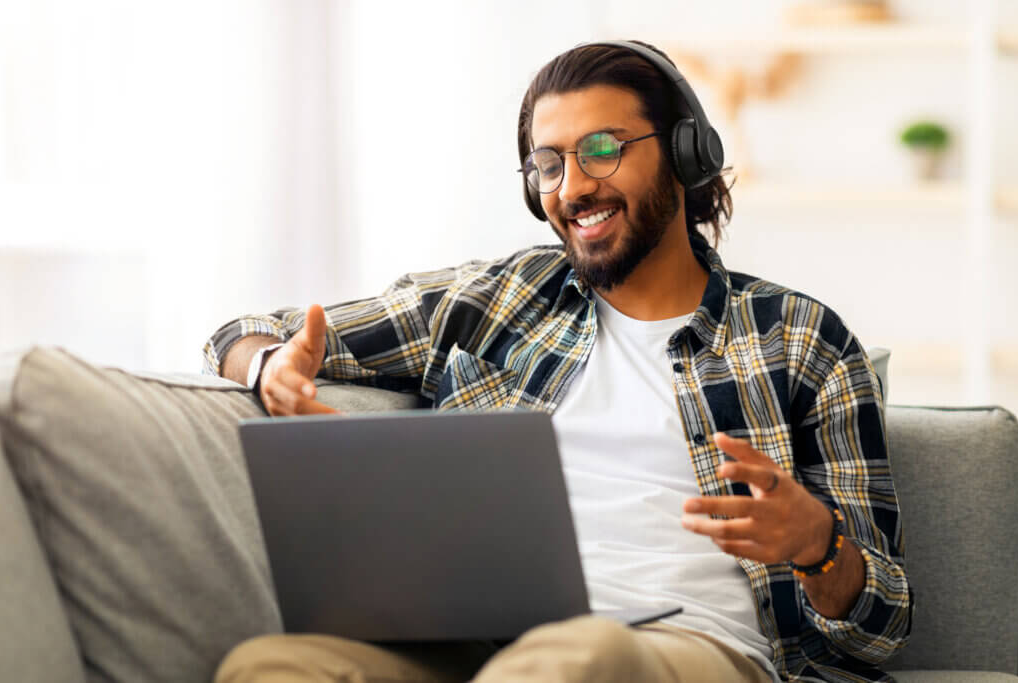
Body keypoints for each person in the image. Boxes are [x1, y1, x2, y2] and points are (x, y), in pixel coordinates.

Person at [204, 40, 912, 683]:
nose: (572, 188)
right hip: (482, 641)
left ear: (685, 153)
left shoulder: (800, 339)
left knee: (579, 658)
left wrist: (819, 545)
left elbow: (880, 630)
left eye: (602, 149)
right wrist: (268, 364)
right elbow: (243, 330)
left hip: (685, 647)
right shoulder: (501, 298)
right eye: (549, 164)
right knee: (270, 664)